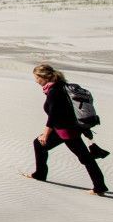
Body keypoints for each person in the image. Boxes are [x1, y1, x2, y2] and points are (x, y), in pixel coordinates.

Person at [28, 63, 108, 195]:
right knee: (39, 144)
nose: (36, 81)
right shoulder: (60, 86)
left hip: (67, 131)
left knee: (85, 157)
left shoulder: (54, 91)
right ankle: (40, 174)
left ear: (44, 77)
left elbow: (53, 116)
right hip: (65, 128)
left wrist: (46, 134)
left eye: (37, 78)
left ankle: (100, 186)